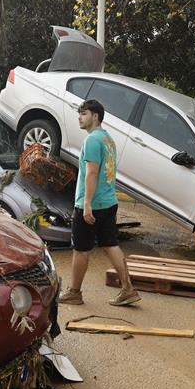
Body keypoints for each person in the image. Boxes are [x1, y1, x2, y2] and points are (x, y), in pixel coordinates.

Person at [58, 99, 140, 306]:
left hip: (92, 205)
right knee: (110, 244)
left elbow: (92, 173)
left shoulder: (92, 140)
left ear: (95, 116)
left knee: (80, 249)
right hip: (108, 202)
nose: (80, 117)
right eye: (79, 113)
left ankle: (74, 292)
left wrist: (86, 204)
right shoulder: (108, 140)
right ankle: (128, 289)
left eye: (84, 113)